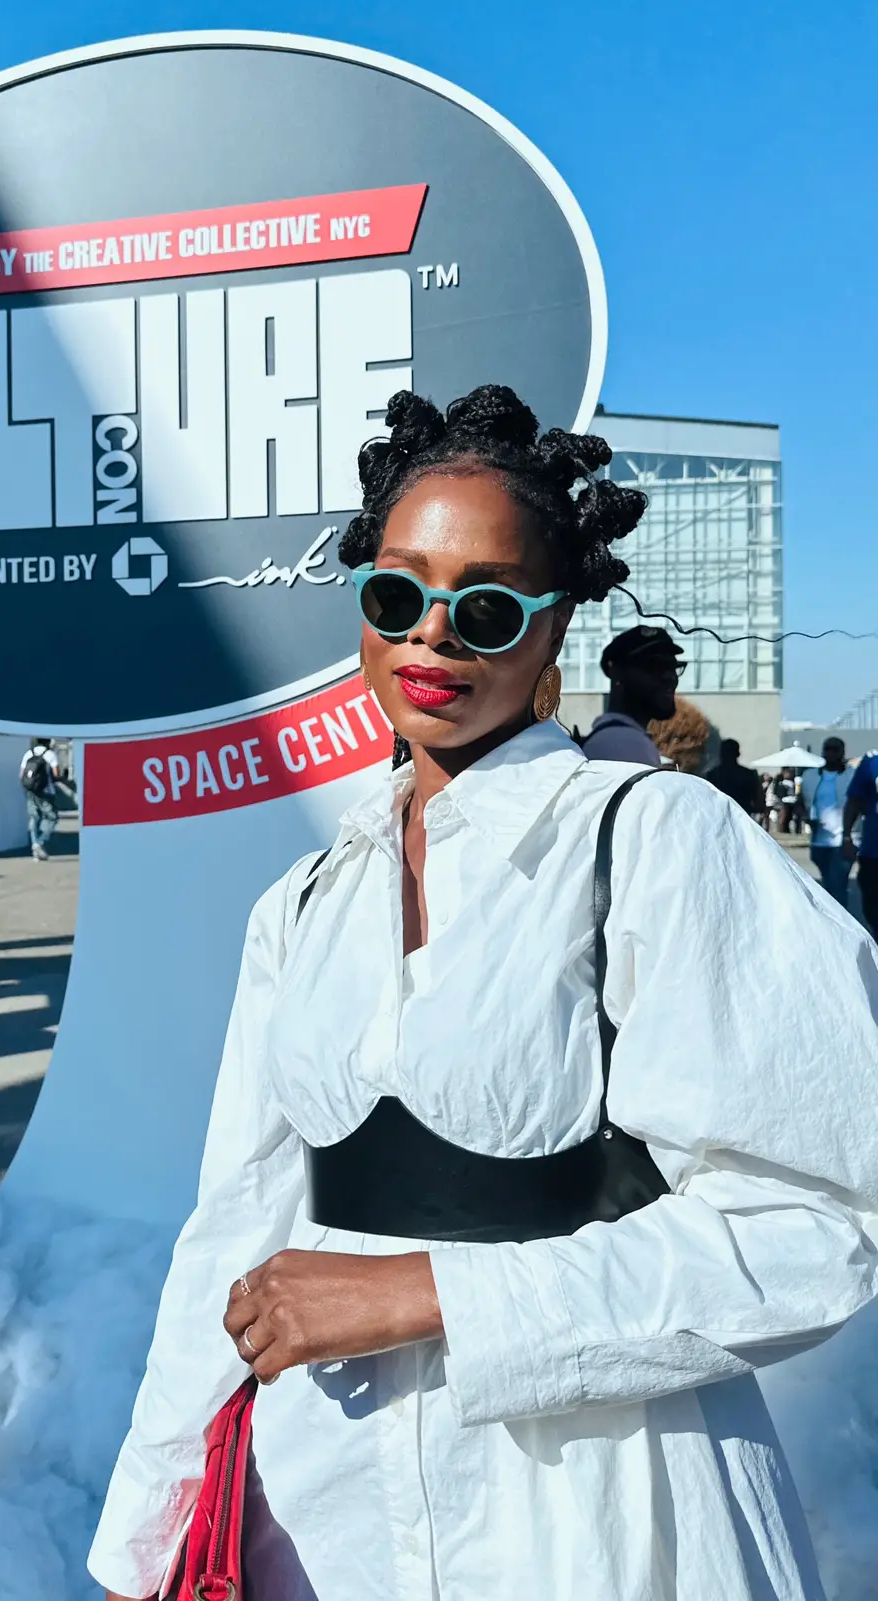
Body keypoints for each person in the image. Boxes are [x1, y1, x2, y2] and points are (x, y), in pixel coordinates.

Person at [90, 386, 878, 1601]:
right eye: (399, 593)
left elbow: (825, 1213)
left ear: (554, 632)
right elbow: (234, 1228)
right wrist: (146, 1537)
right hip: (324, 1512)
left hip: (596, 1512)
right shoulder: (302, 902)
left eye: (490, 606)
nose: (437, 637)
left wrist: (425, 1292)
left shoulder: (651, 841)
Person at [580, 624, 685, 764]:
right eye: (655, 666)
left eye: (673, 667)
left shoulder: (621, 738)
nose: (670, 677)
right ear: (617, 673)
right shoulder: (622, 743)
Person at [801, 737, 852, 906]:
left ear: (842, 752)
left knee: (836, 887)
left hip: (843, 840)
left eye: (835, 749)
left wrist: (849, 836)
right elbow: (800, 802)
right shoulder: (810, 776)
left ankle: (841, 926)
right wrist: (806, 817)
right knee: (828, 885)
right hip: (819, 841)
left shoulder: (851, 775)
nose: (831, 752)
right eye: (828, 748)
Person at [845, 748, 878, 934]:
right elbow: (854, 801)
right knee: (873, 912)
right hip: (874, 852)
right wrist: (846, 836)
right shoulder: (872, 760)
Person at [704, 736, 765, 820]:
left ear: (721, 754)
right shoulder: (749, 774)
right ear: (738, 754)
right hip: (742, 819)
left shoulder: (711, 775)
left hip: (718, 819)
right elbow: (759, 805)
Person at [20, 735, 59, 860]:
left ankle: (35, 846)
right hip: (46, 792)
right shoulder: (50, 754)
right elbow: (56, 774)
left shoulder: (28, 754)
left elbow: (21, 774)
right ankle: (39, 843)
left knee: (34, 817)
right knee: (52, 817)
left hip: (31, 791)